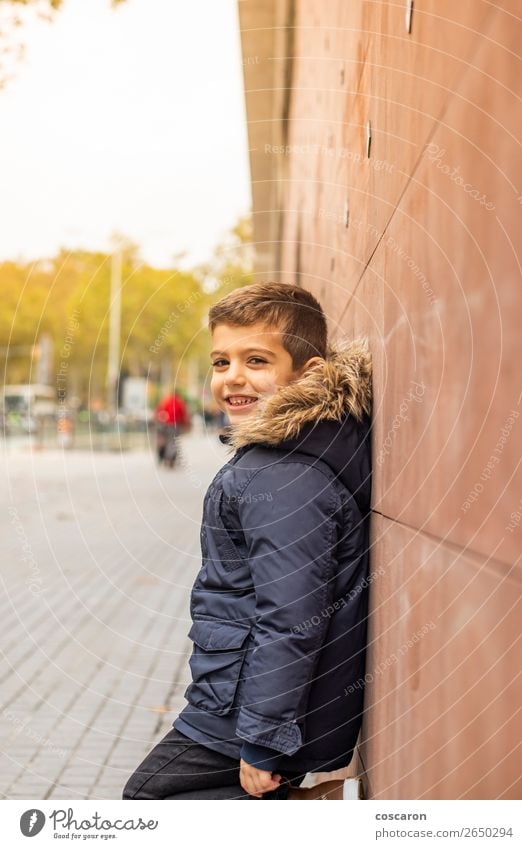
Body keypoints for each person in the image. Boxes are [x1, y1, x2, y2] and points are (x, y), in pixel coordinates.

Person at [123, 282, 372, 800]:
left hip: (250, 713)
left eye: (256, 360)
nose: (233, 377)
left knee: (152, 800)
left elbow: (291, 615)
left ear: (306, 373)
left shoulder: (283, 475)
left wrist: (262, 740)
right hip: (241, 700)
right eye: (220, 362)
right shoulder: (282, 456)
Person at [154, 390, 190, 468]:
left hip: (164, 424)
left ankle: (163, 457)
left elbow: (158, 411)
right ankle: (169, 458)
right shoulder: (179, 402)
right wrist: (185, 425)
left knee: (165, 441)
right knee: (172, 442)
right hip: (174, 425)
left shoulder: (165, 400)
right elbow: (183, 414)